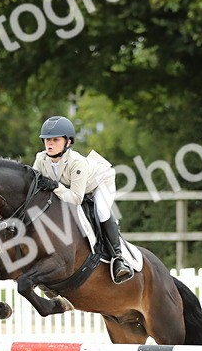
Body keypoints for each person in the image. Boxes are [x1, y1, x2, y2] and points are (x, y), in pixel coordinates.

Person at [30, 115, 133, 283]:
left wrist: (55, 186)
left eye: (55, 140)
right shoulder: (40, 159)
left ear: (68, 142)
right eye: (47, 139)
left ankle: (118, 258)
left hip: (100, 182)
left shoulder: (77, 163)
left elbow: (76, 198)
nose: (49, 144)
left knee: (101, 210)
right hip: (74, 187)